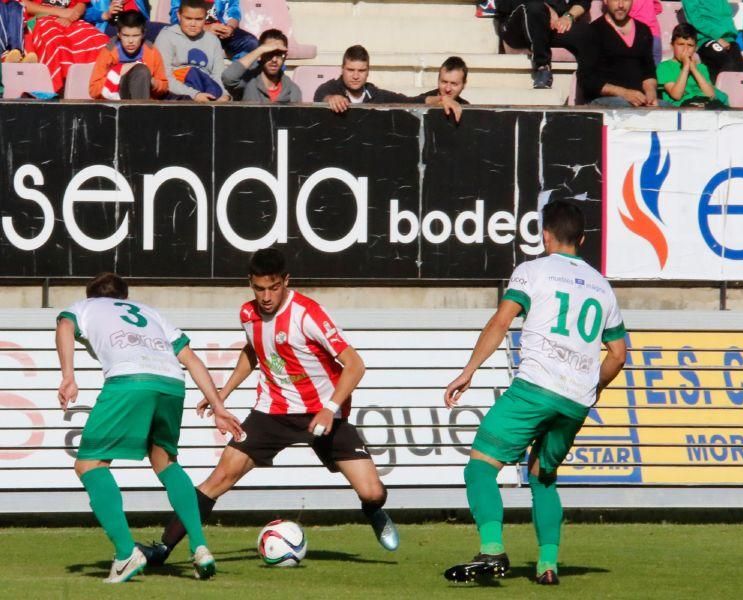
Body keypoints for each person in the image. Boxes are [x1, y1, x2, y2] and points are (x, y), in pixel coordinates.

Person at [138, 248, 400, 567]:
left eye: (273, 287)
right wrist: (222, 393)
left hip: (324, 414)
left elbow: (355, 365)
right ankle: (162, 550)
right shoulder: (248, 314)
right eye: (259, 288)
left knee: (373, 492)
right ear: (250, 283)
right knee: (218, 478)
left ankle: (372, 511)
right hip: (271, 413)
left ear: (286, 281)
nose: (266, 296)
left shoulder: (308, 314)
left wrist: (330, 407)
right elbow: (254, 352)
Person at [442, 200, 628, 586]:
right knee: (544, 477)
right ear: (582, 238)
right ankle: (547, 565)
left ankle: (492, 550)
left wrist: (469, 370)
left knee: (479, 468)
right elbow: (619, 354)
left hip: (534, 389)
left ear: (545, 235)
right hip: (575, 400)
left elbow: (501, 320)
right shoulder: (602, 286)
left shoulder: (533, 271)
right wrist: (589, 389)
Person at [55, 273, 243, 583]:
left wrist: (67, 375)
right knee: (165, 461)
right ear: (124, 297)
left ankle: (126, 553)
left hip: (130, 380)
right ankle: (199, 547)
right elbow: (192, 360)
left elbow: (64, 325)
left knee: (89, 463)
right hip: (171, 384)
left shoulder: (85, 307)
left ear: (92, 296)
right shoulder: (151, 313)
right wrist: (218, 408)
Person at [494, 0, 592, 89]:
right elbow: (504, 5)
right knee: (535, 7)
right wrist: (547, 8)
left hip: (554, 21)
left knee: (587, 32)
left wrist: (568, 16)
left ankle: (591, 87)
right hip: (518, 23)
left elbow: (583, 2)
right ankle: (542, 67)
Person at [579, 0, 659, 107]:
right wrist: (624, 93)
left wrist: (650, 92)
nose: (621, 5)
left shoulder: (643, 30)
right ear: (606, 1)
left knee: (671, 110)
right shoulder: (593, 31)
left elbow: (649, 71)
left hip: (639, 102)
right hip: (605, 101)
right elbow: (587, 80)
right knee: (623, 106)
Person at [22, 0, 108, 91]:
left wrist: (70, 17)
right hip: (41, 18)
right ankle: (60, 88)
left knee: (101, 42)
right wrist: (60, 12)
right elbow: (22, 4)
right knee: (57, 44)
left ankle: (101, 86)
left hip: (72, 19)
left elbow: (81, 4)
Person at [155, 0, 229, 102]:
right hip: (177, 94)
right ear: (179, 15)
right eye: (188, 18)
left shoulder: (212, 40)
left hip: (206, 89)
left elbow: (218, 75)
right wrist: (195, 95)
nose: (193, 24)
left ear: (205, 18)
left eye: (198, 19)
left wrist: (224, 95)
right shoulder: (166, 37)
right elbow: (164, 77)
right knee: (193, 73)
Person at [89, 10, 168, 99]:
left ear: (143, 34)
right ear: (119, 34)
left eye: (135, 36)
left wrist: (152, 82)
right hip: (115, 99)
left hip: (143, 94)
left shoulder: (151, 51)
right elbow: (93, 90)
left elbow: (164, 87)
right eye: (126, 35)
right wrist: (117, 72)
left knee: (141, 72)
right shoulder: (108, 52)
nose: (130, 41)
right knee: (141, 71)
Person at [313, 45, 408, 113]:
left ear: (368, 72)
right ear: (342, 69)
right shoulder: (329, 88)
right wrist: (331, 99)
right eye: (350, 70)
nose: (355, 76)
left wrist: (423, 98)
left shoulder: (376, 95)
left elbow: (407, 101)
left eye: (361, 70)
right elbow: (321, 96)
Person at [657, 23, 729, 107]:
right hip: (683, 108)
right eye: (681, 44)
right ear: (672, 46)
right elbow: (676, 95)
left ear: (695, 48)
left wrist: (694, 69)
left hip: (705, 104)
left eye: (690, 45)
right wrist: (686, 67)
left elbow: (711, 95)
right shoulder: (664, 67)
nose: (685, 49)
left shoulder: (701, 68)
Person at [222, 28, 301, 103]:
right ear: (260, 54)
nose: (274, 59)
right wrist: (260, 50)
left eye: (279, 54)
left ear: (285, 57)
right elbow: (228, 77)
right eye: (269, 53)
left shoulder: (293, 90)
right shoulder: (248, 82)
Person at [681, 0, 743, 83]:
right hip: (705, 38)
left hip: (728, 39)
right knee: (725, 61)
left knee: (741, 67)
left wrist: (729, 37)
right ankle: (718, 92)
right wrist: (717, 37)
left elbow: (725, 19)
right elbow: (695, 19)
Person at [169, 0, 257, 58]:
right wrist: (205, 29)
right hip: (194, 32)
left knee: (251, 42)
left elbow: (234, 11)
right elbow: (176, 18)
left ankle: (232, 71)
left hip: (222, 33)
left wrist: (230, 28)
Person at [410, 55, 469, 123]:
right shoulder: (422, 101)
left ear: (464, 84)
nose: (448, 89)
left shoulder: (467, 109)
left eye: (454, 84)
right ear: (438, 80)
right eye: (444, 82)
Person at [84, 0, 166, 42]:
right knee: (166, 30)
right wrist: (105, 14)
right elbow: (84, 13)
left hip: (139, 22)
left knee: (169, 31)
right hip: (110, 25)